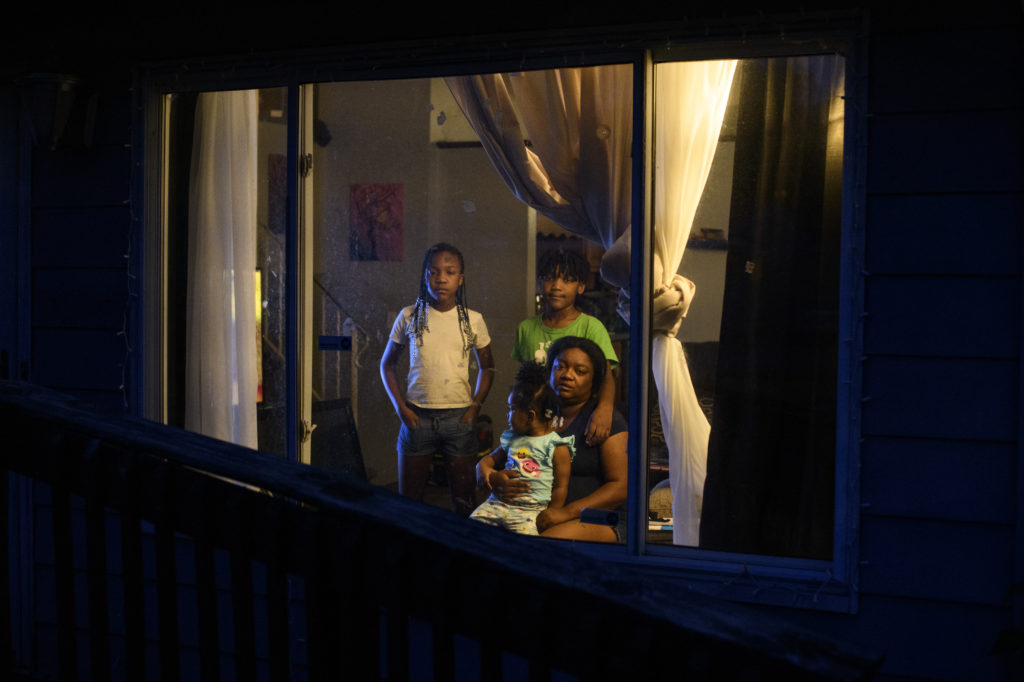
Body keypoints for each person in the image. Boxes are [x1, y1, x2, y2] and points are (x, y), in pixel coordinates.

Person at [380, 242, 494, 516]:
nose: (441, 278)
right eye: (433, 272)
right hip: (417, 417)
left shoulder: (472, 319)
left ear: (460, 279)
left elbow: (488, 368)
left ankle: (457, 555)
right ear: (424, 276)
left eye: (450, 272)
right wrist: (401, 408)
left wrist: (474, 408)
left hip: (459, 418)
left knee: (463, 503)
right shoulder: (409, 316)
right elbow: (387, 365)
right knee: (409, 503)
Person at [489, 336, 628, 543]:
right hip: (530, 513)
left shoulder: (606, 421)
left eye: (580, 372)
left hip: (595, 518)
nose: (567, 376)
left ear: (594, 381)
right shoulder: (534, 414)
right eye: (560, 367)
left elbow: (620, 487)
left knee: (540, 545)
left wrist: (565, 512)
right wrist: (492, 477)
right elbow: (494, 460)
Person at [511, 248, 619, 447]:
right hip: (538, 420)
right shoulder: (526, 329)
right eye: (550, 278)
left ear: (580, 286)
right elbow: (524, 381)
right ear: (540, 282)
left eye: (567, 280)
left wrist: (604, 409)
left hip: (578, 419)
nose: (557, 286)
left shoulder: (591, 327)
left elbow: (607, 378)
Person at [471, 362, 575, 535]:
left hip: (531, 511)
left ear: (530, 415)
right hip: (497, 502)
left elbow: (561, 486)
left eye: (511, 409)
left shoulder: (556, 446)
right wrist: (484, 467)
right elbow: (490, 459)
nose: (508, 414)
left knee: (526, 548)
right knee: (471, 531)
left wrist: (553, 512)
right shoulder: (512, 438)